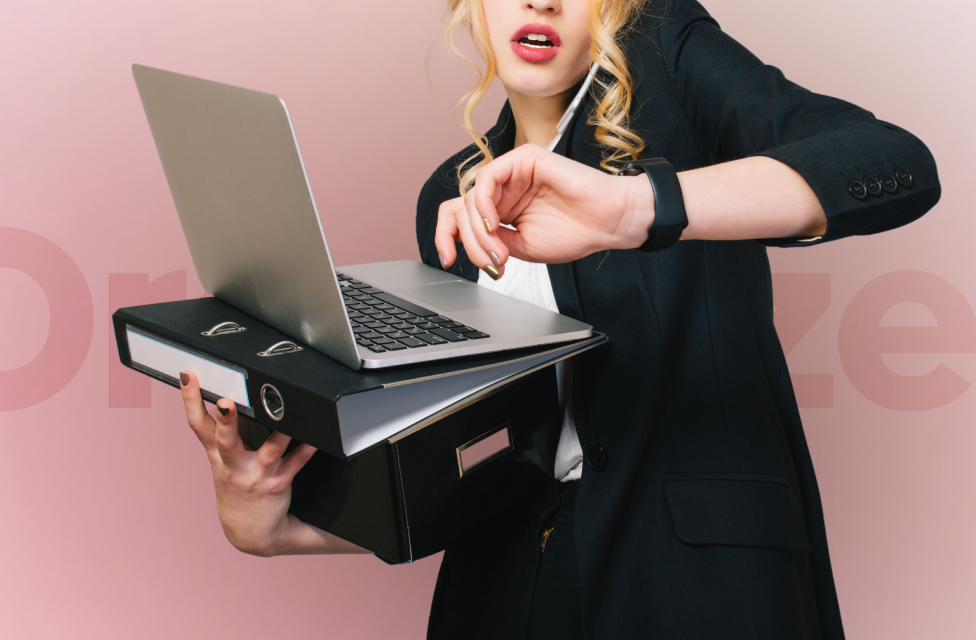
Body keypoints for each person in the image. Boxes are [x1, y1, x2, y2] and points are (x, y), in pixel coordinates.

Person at [177, 0, 941, 638]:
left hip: (701, 588)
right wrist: (279, 528)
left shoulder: (670, 60)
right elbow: (484, 479)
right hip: (509, 591)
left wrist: (634, 207)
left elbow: (891, 162)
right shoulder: (451, 199)